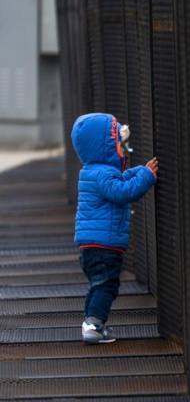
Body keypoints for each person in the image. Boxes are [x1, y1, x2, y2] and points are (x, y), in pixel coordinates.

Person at [71, 113, 158, 343]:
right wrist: (147, 177)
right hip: (104, 246)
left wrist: (140, 171)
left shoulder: (92, 171)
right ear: (105, 147)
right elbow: (123, 192)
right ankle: (93, 324)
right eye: (118, 143)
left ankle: (91, 323)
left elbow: (120, 181)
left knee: (98, 284)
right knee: (107, 284)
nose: (121, 148)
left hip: (91, 246)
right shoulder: (104, 174)